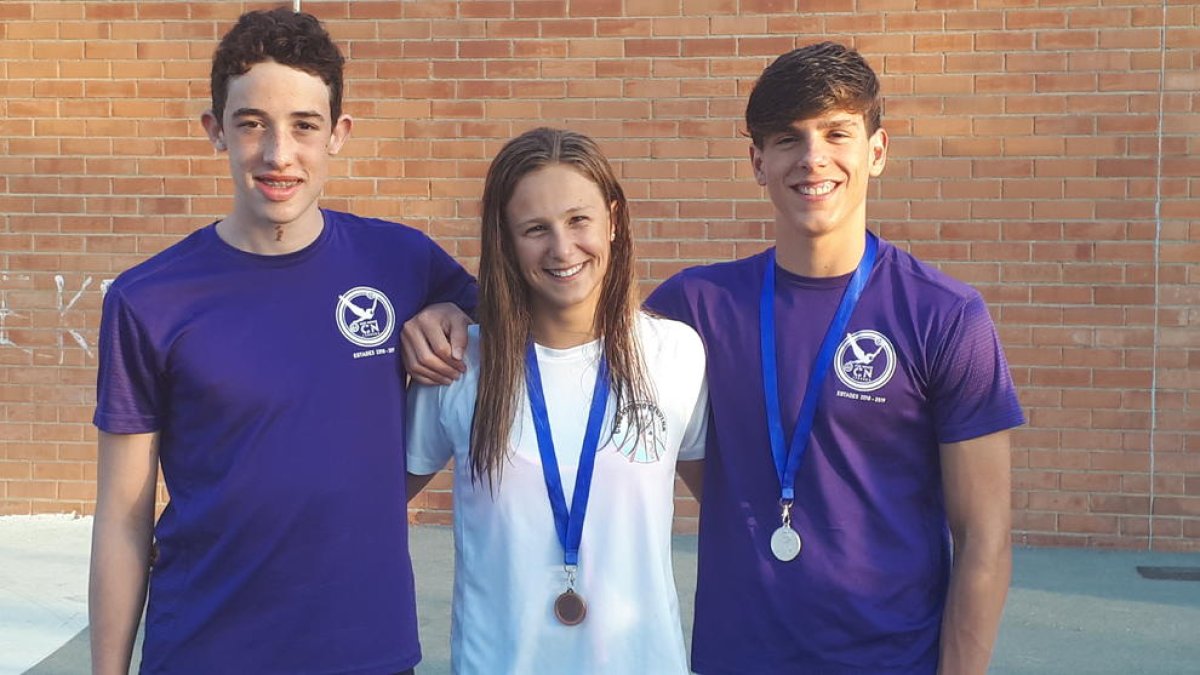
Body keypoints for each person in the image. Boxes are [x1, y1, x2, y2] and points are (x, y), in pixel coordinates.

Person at [404, 43, 1023, 674]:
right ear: (757, 161)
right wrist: (458, 310)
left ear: (878, 150)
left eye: (837, 133)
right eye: (787, 138)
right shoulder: (694, 311)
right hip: (737, 655)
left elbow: (984, 538)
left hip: (891, 658)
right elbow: (568, 314)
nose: (813, 159)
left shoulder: (944, 314)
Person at [88, 8, 476, 675]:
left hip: (366, 649)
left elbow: (516, 318)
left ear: (338, 134)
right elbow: (123, 518)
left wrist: (451, 309)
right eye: (251, 125)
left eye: (304, 126)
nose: (278, 154)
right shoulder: (147, 299)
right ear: (215, 131)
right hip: (206, 648)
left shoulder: (400, 262)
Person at [405, 127, 708, 674]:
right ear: (505, 239)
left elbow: (732, 508)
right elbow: (370, 505)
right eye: (535, 229)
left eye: (578, 220)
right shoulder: (457, 366)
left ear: (613, 219)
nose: (562, 249)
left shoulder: (675, 356)